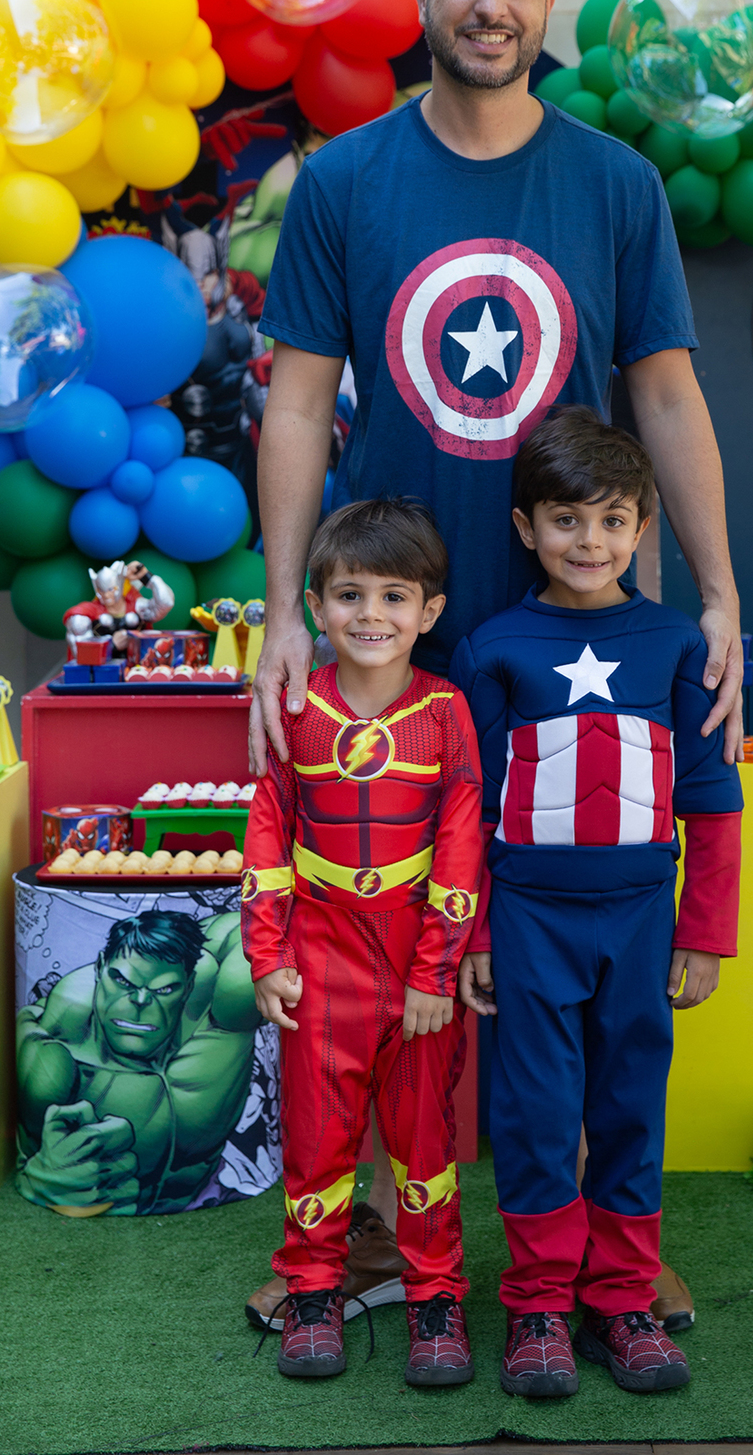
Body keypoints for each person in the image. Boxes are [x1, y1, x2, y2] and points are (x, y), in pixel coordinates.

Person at [246, 0, 744, 1331]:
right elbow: (294, 405)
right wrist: (283, 611)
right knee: (405, 956)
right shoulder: (344, 182)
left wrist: (714, 593)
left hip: (578, 645)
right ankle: (420, 1248)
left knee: (584, 971)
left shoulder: (614, 184)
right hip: (390, 633)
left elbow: (665, 394)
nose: (490, 6)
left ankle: (598, 1256)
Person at [451, 410, 743, 1396]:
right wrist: (480, 933)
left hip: (641, 919)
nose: (590, 543)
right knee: (535, 1113)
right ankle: (537, 1308)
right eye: (567, 521)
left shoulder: (671, 643)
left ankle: (620, 1304)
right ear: (527, 527)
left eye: (613, 521)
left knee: (628, 1107)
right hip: (529, 923)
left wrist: (702, 934)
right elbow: (469, 806)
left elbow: (713, 798)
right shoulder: (495, 648)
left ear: (642, 528)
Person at [242, 497, 484, 1385]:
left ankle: (435, 1300)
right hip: (320, 967)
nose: (371, 615)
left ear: (430, 612)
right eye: (349, 595)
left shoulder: (447, 712)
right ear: (314, 606)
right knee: (317, 1142)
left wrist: (436, 973)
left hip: (417, 975)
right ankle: (313, 1292)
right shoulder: (296, 710)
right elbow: (268, 830)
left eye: (394, 596)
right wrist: (267, 953)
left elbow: (463, 845)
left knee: (426, 1146)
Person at [16, 910, 260, 1215]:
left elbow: (245, 926)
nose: (140, 1002)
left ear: (188, 985)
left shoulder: (217, 1018)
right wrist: (45, 1177)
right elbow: (33, 1162)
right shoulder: (56, 1052)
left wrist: (170, 936)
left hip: (213, 1199)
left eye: (164, 989)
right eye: (122, 981)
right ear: (101, 968)